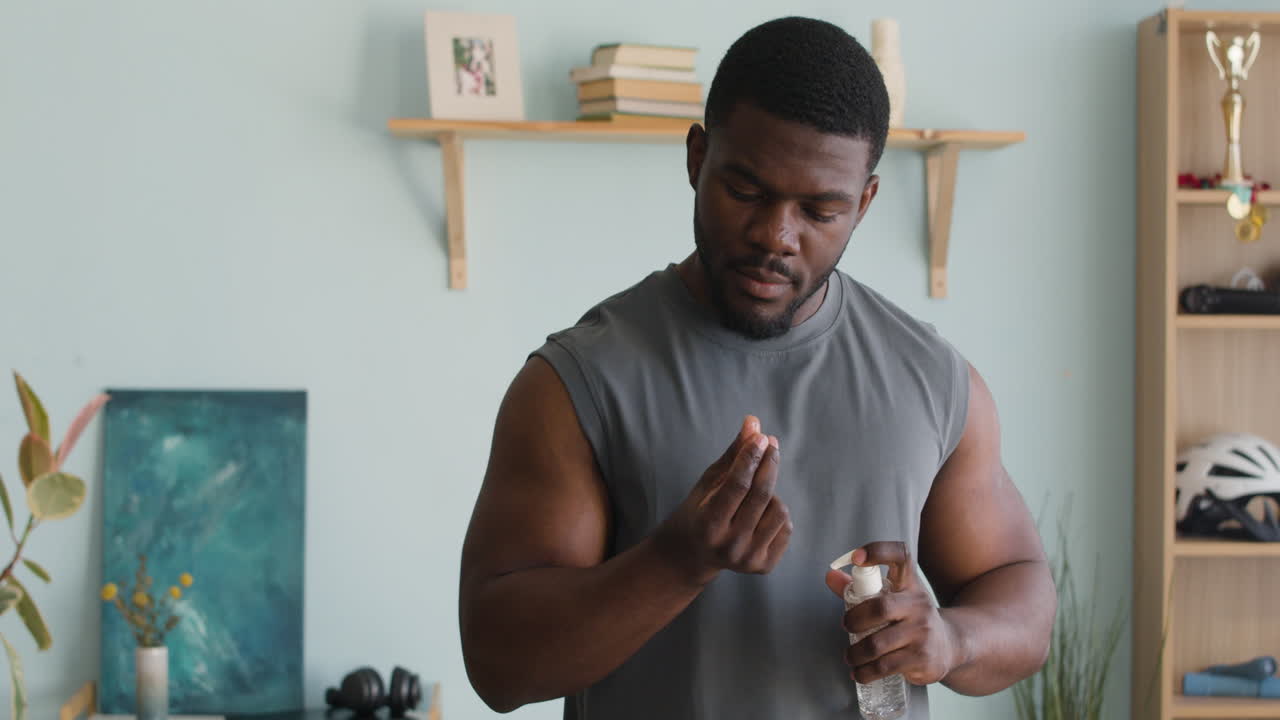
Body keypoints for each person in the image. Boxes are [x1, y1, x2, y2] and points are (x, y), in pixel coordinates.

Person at [459, 15, 1055, 719]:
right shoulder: (575, 384)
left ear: (863, 203)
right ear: (697, 159)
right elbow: (498, 666)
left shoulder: (932, 379)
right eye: (746, 192)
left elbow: (1019, 591)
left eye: (819, 210)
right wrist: (676, 563)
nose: (776, 235)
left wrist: (953, 640)